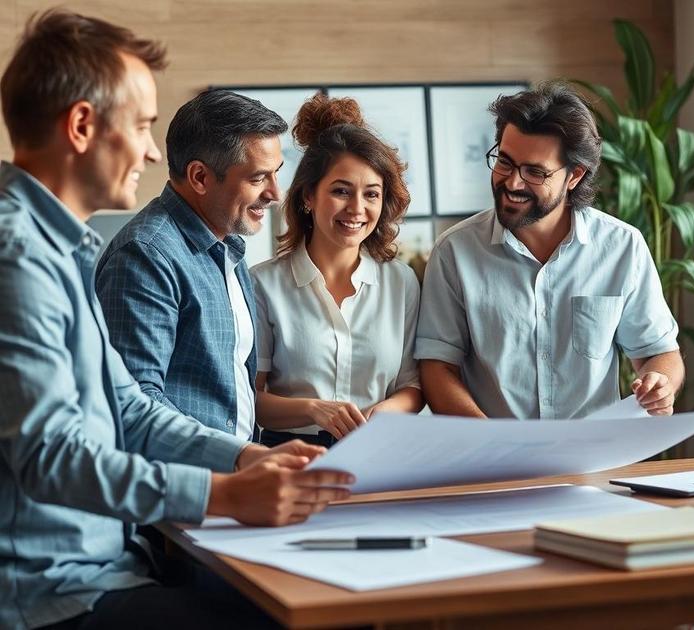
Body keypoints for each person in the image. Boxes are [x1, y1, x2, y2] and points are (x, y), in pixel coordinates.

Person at [0, 10, 351, 630]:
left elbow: (129, 409)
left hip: (106, 566)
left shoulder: (60, 249)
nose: (148, 149)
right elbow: (51, 456)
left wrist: (244, 460)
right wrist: (221, 493)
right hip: (51, 592)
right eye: (141, 125)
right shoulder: (17, 258)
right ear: (81, 126)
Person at [416, 81, 684, 420]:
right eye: (505, 162)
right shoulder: (454, 251)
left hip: (593, 450)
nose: (512, 183)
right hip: (492, 452)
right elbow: (437, 368)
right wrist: (491, 440)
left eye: (535, 172)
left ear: (574, 176)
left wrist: (660, 383)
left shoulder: (622, 247)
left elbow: (659, 352)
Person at [96, 89, 285, 441]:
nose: (276, 194)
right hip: (193, 475)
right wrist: (239, 457)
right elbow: (136, 402)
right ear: (199, 177)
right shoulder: (145, 256)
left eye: (277, 173)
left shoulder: (229, 248)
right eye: (258, 178)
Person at [250, 94, 424, 448]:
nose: (357, 209)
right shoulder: (262, 284)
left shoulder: (401, 281)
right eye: (341, 191)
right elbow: (251, 400)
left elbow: (413, 386)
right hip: (291, 455)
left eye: (371, 194)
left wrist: (383, 413)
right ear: (308, 196)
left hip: (380, 450)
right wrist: (315, 410)